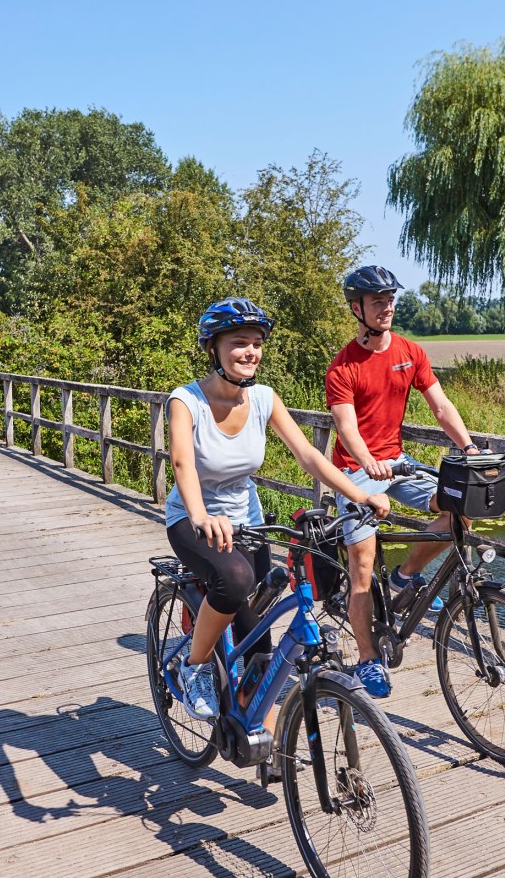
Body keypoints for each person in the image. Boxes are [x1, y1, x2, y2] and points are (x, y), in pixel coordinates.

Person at [166, 297, 390, 726]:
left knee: (258, 632)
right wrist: (199, 516)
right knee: (234, 581)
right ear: (212, 348)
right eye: (238, 343)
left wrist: (360, 496)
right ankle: (194, 668)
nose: (250, 351)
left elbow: (308, 454)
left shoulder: (265, 399)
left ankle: (261, 736)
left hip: (246, 521)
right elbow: (182, 463)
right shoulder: (186, 401)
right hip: (192, 519)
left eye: (256, 343)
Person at [325, 265, 482, 699]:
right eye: (377, 301)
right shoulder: (343, 366)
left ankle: (403, 576)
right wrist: (366, 463)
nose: (387, 307)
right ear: (357, 308)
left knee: (461, 507)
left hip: (397, 463)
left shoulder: (411, 352)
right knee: (360, 568)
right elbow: (346, 427)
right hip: (358, 471)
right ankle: (367, 660)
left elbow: (441, 406)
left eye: (390, 299)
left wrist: (468, 448)